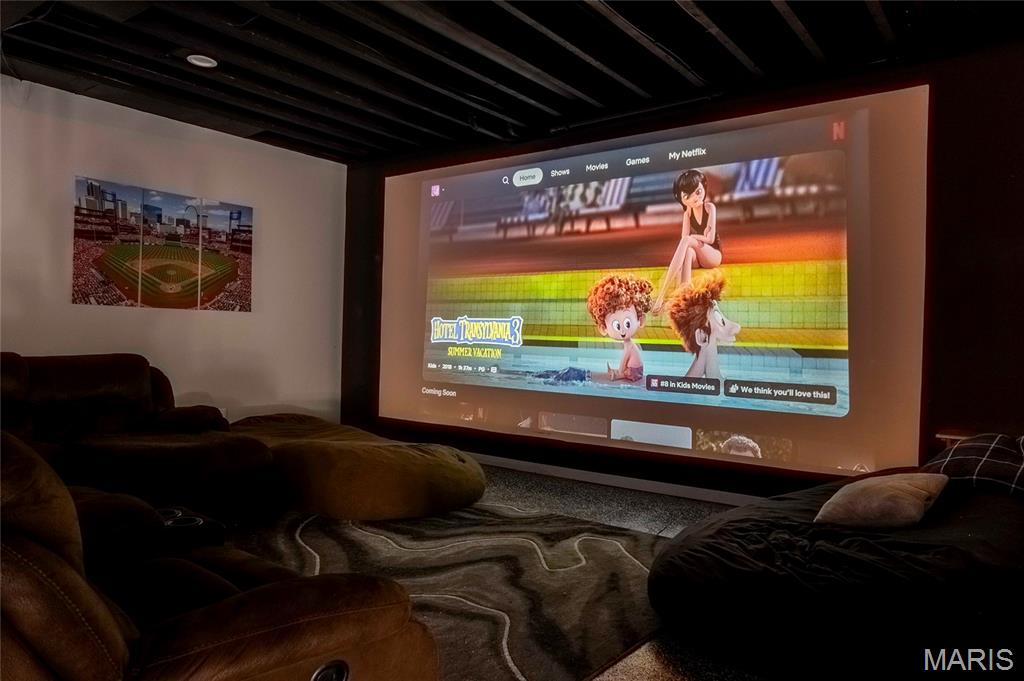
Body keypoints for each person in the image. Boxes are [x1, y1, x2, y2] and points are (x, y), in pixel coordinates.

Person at [652, 169, 723, 314]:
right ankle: (684, 296)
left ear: (704, 187)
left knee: (688, 241)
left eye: (698, 192)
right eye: (687, 196)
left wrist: (694, 237)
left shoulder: (709, 208)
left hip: (713, 254)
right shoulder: (687, 214)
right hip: (697, 253)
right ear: (681, 199)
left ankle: (661, 296)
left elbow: (709, 239)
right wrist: (696, 237)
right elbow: (684, 242)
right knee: (688, 251)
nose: (695, 198)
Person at [667, 270, 740, 380]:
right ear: (702, 336)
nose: (737, 327)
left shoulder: (682, 386)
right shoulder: (723, 386)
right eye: (720, 320)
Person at [586, 274, 653, 382]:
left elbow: (624, 360)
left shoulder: (629, 345)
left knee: (622, 372)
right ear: (603, 328)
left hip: (635, 372)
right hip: (634, 369)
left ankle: (618, 375)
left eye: (627, 324)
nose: (622, 331)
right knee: (622, 371)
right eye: (617, 326)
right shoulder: (629, 344)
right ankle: (618, 373)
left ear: (640, 321)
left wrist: (620, 371)